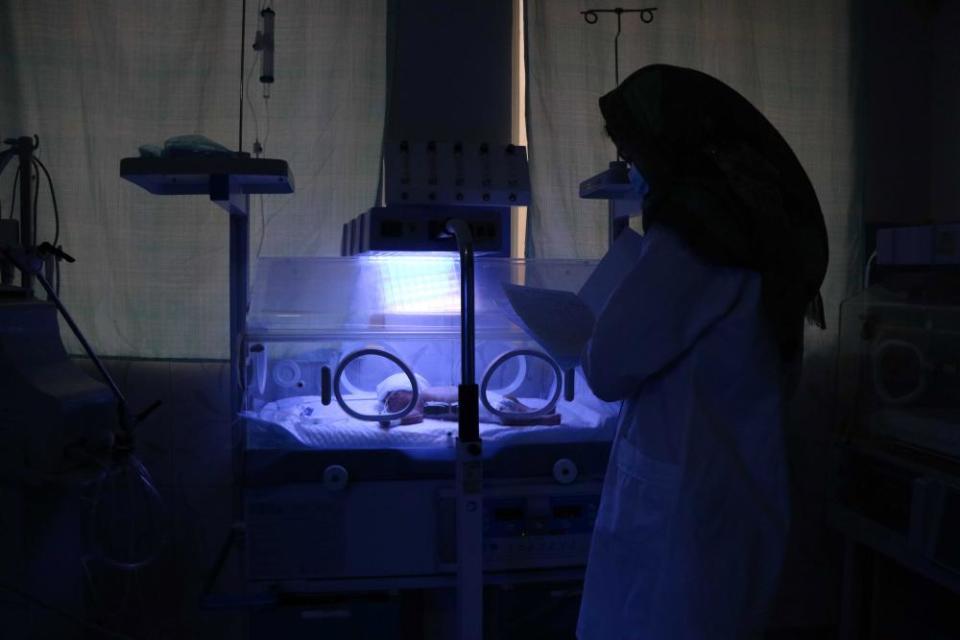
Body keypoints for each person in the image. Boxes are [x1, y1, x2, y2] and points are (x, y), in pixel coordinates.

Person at [542, 64, 829, 638]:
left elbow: (608, 367)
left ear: (669, 142)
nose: (633, 170)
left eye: (634, 153)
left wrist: (586, 332)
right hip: (739, 490)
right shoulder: (759, 225)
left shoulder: (695, 240)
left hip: (684, 511)